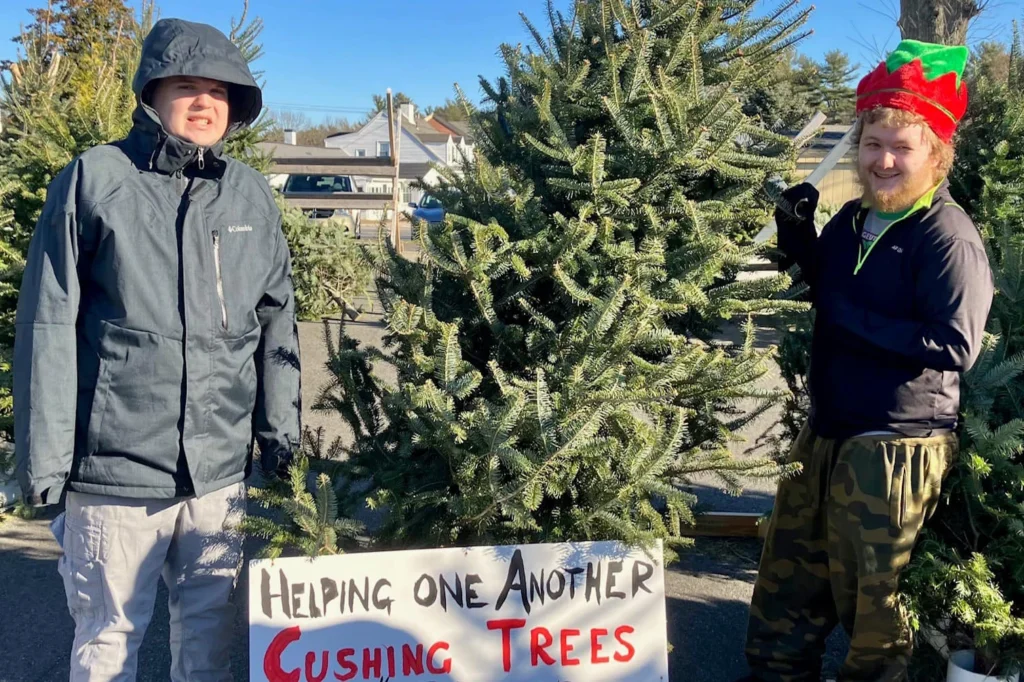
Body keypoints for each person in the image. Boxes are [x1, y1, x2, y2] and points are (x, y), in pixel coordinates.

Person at [13, 18, 300, 681]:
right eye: (187, 87)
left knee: (205, 645)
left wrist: (279, 445)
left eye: (220, 92)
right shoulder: (95, 180)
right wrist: (48, 465)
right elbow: (50, 324)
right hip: (113, 477)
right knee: (107, 644)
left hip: (218, 477)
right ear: (152, 93)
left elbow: (276, 326)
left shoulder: (250, 195)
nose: (205, 103)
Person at [744, 40, 994, 682]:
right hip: (827, 427)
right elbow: (826, 283)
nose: (882, 160)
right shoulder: (853, 220)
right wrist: (798, 238)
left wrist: (844, 314)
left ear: (935, 155)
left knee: (874, 610)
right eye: (871, 143)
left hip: (894, 445)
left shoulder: (947, 237)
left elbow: (953, 345)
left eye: (901, 148)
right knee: (787, 580)